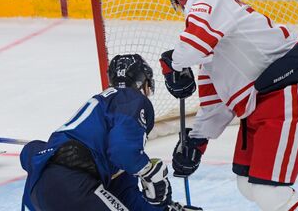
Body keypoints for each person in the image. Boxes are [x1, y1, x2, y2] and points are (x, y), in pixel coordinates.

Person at [159, 0, 298, 211]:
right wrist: (195, 142)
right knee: (248, 184)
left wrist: (171, 64)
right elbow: (215, 106)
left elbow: (192, 48)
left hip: (289, 96)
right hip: (263, 105)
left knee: (270, 192)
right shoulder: (213, 40)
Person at [20, 54, 193, 211]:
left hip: (39, 193)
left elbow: (126, 197)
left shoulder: (102, 123)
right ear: (143, 83)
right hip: (75, 187)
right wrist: (148, 171)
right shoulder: (130, 99)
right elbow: (123, 151)